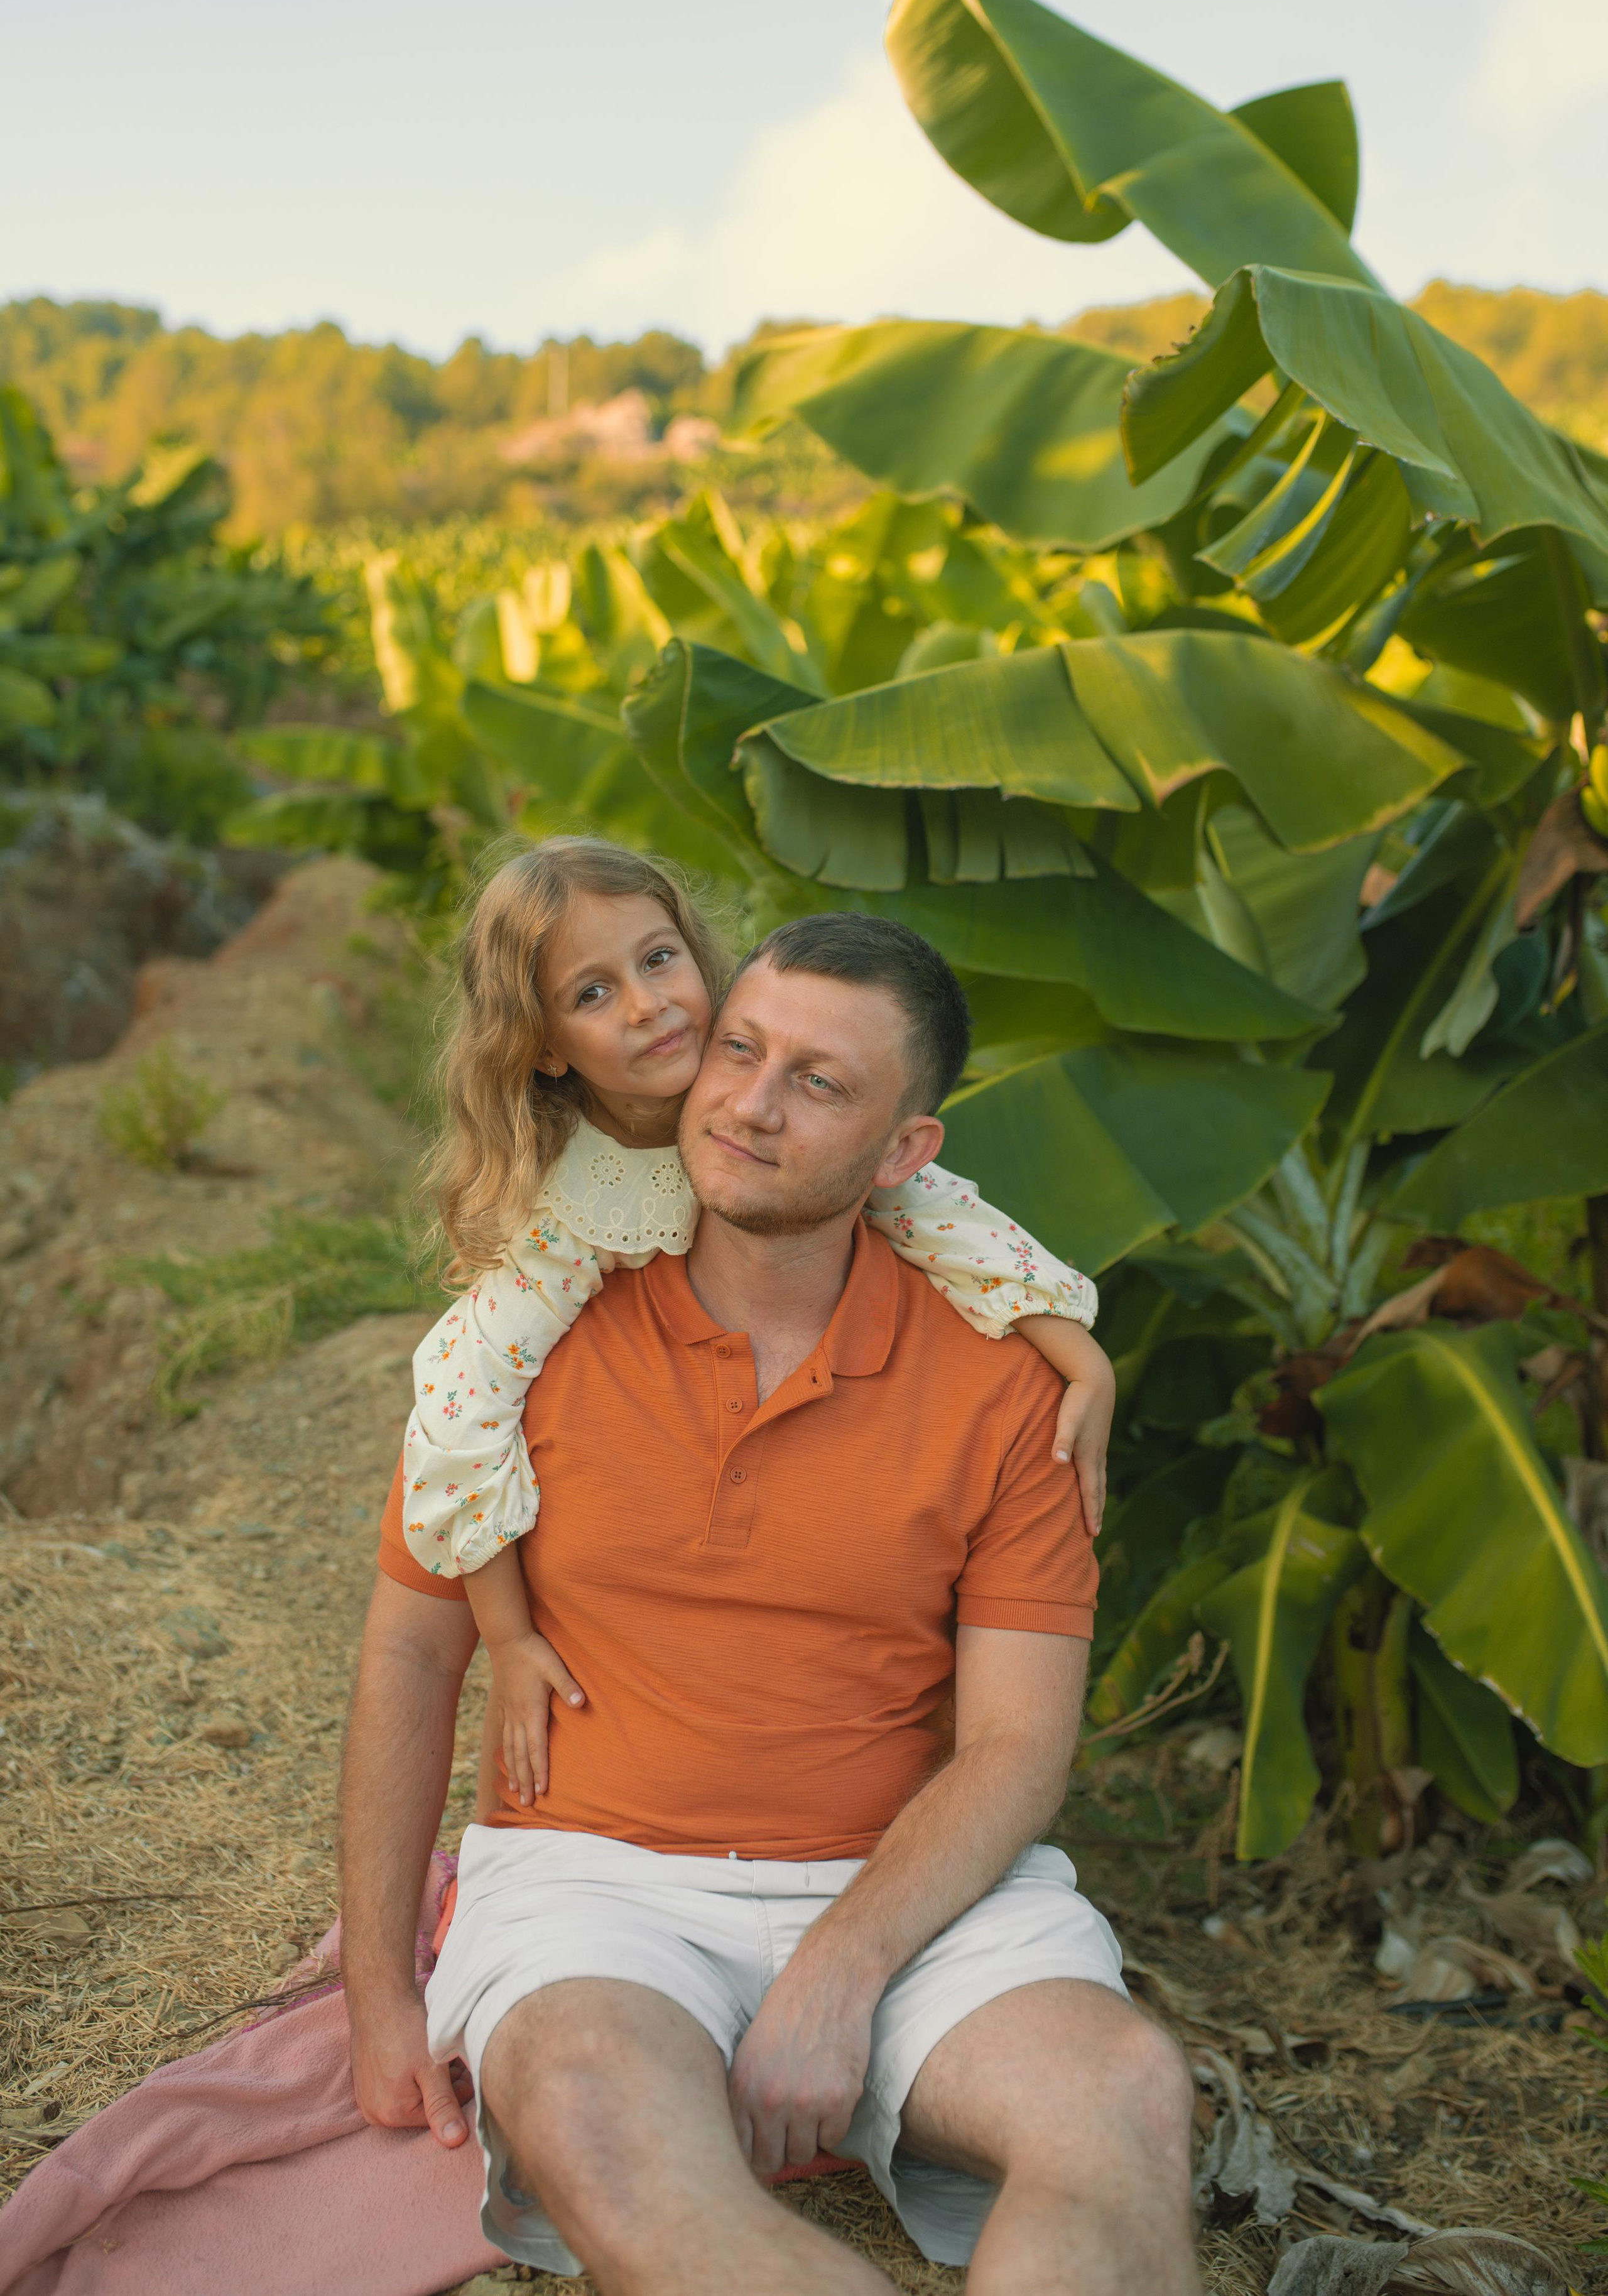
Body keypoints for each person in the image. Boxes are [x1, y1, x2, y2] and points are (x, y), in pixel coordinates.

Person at [340, 909, 1198, 2294]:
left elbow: (1015, 1748)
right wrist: (380, 1993)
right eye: (739, 1050)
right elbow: (411, 1649)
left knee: (1126, 2094)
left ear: (903, 1150)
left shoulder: (1007, 1387)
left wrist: (842, 1966)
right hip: (595, 1888)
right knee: (592, 2108)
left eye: (819, 1083)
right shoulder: (532, 1335)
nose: (748, 1104)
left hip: (914, 1894)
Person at [399, 836, 1115, 1805]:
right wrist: (513, 1635)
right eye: (593, 993)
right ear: (546, 1046)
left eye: (657, 959)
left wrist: (1082, 1360)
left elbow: (939, 1213)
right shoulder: (569, 1221)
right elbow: (463, 1408)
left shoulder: (743, 1081)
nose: (648, 1004)